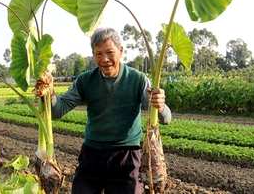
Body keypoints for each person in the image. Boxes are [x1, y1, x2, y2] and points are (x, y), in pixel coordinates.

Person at [37, 28, 171, 194]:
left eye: (109, 52)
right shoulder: (85, 80)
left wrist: (161, 105)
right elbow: (58, 111)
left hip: (126, 156)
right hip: (92, 153)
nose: (105, 59)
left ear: (120, 51)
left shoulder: (137, 79)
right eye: (98, 54)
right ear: (93, 55)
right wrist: (48, 92)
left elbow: (166, 118)